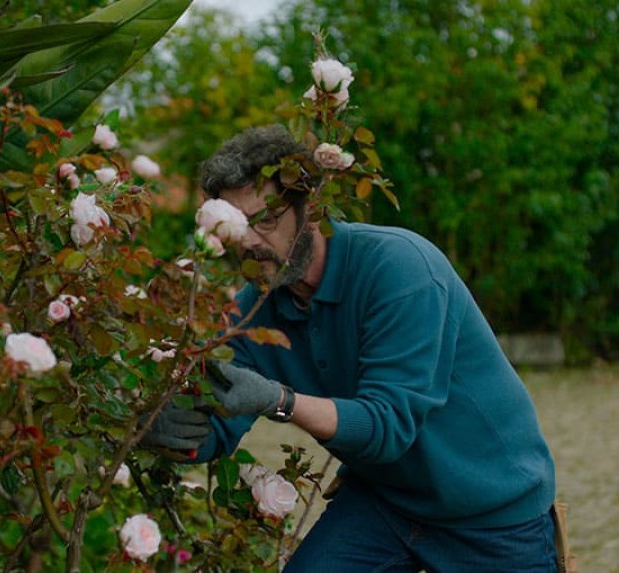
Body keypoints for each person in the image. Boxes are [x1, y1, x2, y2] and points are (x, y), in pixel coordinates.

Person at [142, 125, 558, 572]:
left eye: (265, 220)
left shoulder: (399, 270)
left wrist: (279, 400)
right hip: (387, 500)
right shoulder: (253, 312)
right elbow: (219, 426)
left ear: (313, 211)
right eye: (236, 225)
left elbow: (388, 426)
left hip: (491, 509)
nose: (247, 241)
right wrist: (165, 427)